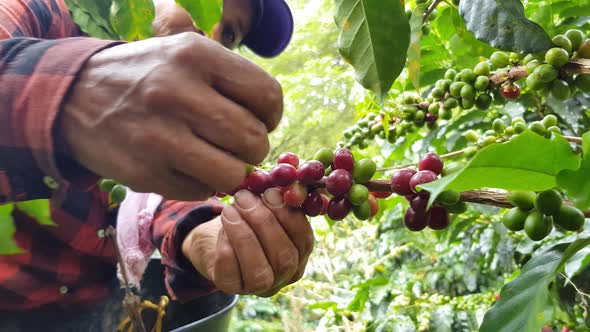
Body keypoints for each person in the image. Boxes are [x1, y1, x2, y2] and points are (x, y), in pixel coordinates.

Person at [0, 0, 314, 330]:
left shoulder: (163, 143)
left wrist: (207, 235)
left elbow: (160, 201)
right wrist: (70, 97)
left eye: (230, 35)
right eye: (201, 5)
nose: (206, 34)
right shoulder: (44, 12)